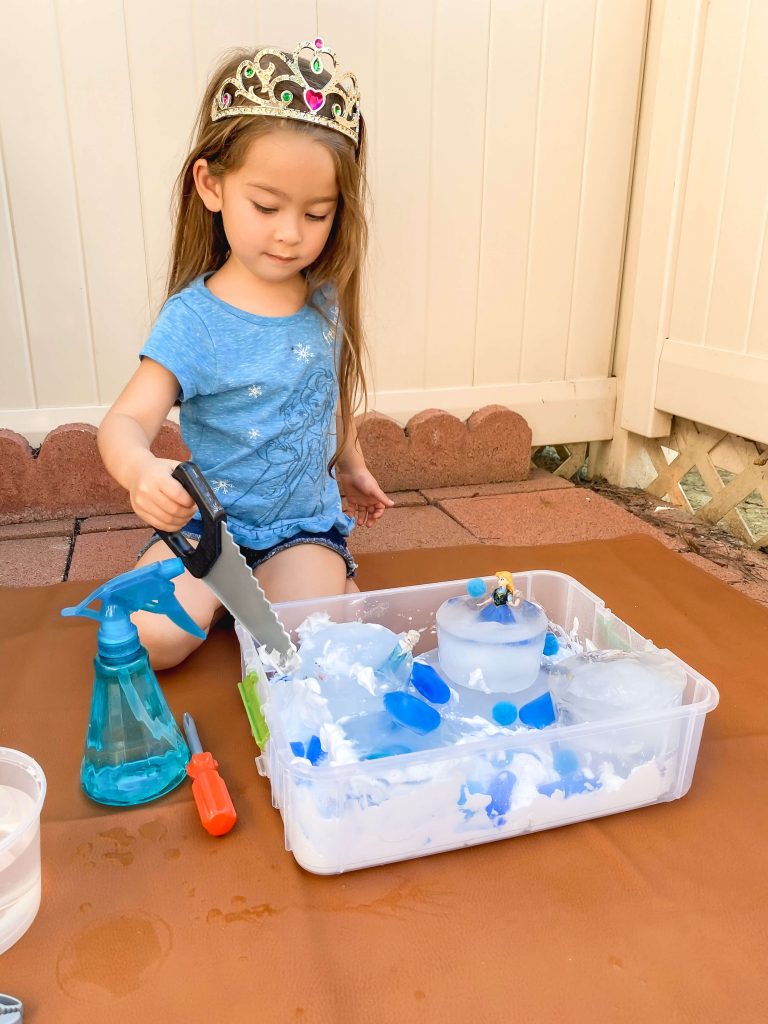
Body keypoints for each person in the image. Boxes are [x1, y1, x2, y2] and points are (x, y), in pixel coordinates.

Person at [98, 39, 392, 669]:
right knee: (151, 640)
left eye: (317, 213)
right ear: (211, 185)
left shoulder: (324, 301)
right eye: (266, 206)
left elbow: (325, 393)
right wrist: (141, 472)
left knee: (304, 648)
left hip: (300, 527)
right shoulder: (194, 320)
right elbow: (124, 422)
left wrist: (353, 462)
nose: (290, 233)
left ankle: (315, 591)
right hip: (209, 527)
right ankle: (231, 598)